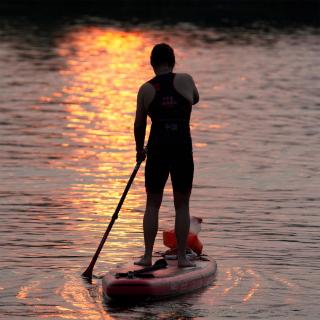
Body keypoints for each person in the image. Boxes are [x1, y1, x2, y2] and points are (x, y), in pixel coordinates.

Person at [134, 43, 199, 268]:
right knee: (182, 204)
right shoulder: (186, 80)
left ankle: (147, 256)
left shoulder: (145, 89)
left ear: (152, 64)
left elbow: (139, 124)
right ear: (173, 62)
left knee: (152, 203)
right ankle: (181, 257)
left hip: (157, 148)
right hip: (181, 147)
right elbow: (195, 98)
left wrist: (138, 150)